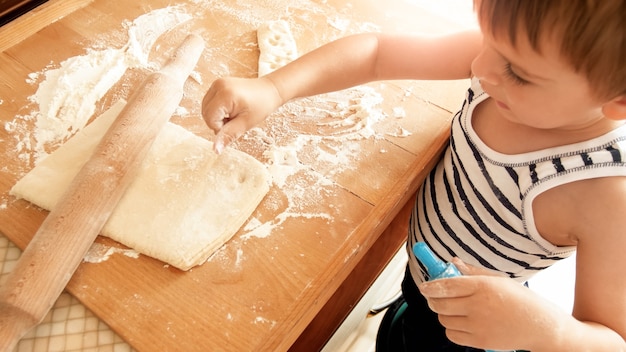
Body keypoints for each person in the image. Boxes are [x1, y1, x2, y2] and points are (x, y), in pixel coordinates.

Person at [201, 0, 626, 350]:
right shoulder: (507, 57)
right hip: (422, 283)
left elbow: (612, 339)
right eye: (487, 39)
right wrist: (274, 88)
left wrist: (549, 332)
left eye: (518, 73)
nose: (480, 64)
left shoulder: (605, 194)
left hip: (473, 335)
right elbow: (377, 54)